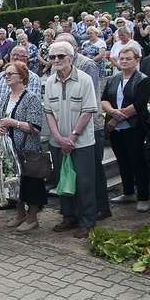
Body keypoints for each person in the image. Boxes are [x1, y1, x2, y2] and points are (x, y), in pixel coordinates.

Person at [44, 42, 98, 239]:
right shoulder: (50, 82)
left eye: (60, 56)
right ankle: (69, 217)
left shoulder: (84, 80)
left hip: (81, 142)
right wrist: (58, 137)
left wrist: (72, 137)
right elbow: (48, 112)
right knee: (62, 180)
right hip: (58, 142)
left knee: (84, 182)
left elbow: (88, 111)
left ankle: (87, 221)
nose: (56, 61)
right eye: (52, 57)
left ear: (71, 57)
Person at [101, 46, 150, 213]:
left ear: (137, 61)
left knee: (137, 161)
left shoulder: (143, 80)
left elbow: (138, 105)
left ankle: (143, 196)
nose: (123, 61)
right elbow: (104, 100)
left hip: (134, 127)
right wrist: (111, 112)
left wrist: (114, 120)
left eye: (128, 58)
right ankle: (128, 192)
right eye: (121, 58)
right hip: (116, 131)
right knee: (122, 161)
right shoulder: (114, 79)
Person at [0, 62, 46, 232]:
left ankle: (32, 217)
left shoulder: (31, 98)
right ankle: (20, 214)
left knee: (30, 183)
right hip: (9, 148)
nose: (7, 77)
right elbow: (1, 118)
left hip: (26, 149)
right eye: (6, 74)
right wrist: (0, 125)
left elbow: (36, 127)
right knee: (13, 182)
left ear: (22, 77)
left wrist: (13, 123)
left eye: (11, 74)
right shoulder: (5, 97)